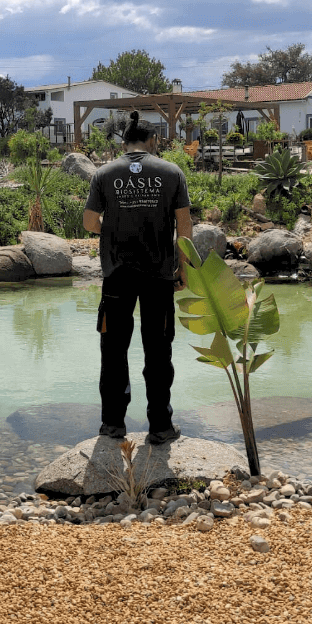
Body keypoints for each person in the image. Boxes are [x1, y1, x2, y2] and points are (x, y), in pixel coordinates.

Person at [83, 111, 192, 445]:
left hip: (117, 276)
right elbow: (184, 227)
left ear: (124, 142)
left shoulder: (104, 174)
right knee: (158, 352)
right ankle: (160, 427)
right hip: (158, 276)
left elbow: (89, 222)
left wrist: (111, 231)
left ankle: (113, 425)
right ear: (152, 141)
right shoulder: (171, 172)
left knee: (113, 352)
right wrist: (183, 267)